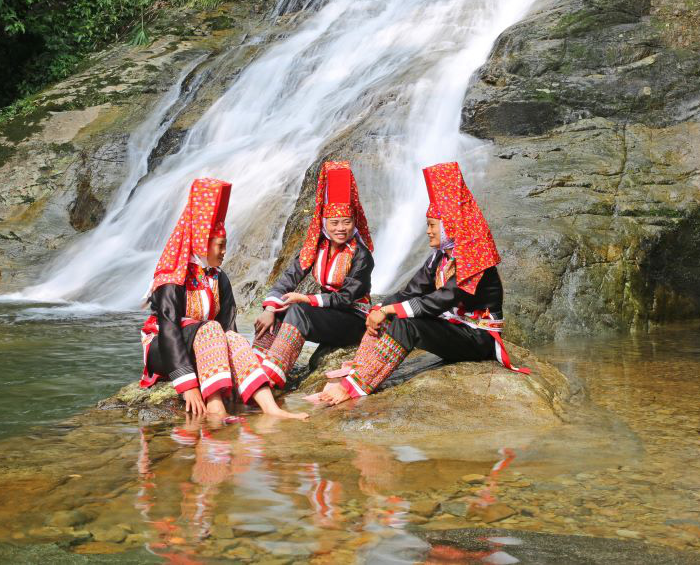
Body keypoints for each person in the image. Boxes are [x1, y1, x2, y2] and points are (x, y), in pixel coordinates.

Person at [318, 162, 529, 405]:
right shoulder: (441, 257)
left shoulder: (475, 259)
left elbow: (439, 301)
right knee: (391, 312)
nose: (428, 231)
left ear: (449, 227)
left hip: (478, 338)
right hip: (456, 326)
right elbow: (412, 291)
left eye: (431, 225)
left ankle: (354, 387)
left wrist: (388, 310)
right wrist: (380, 309)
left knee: (408, 325)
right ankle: (359, 368)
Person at [140, 177, 307, 419]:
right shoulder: (171, 278)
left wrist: (235, 370)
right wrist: (187, 386)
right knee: (210, 329)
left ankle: (270, 408)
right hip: (165, 351)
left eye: (225, 245)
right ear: (200, 243)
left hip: (206, 346)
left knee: (232, 337)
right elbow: (169, 330)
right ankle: (215, 405)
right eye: (219, 245)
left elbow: (229, 327)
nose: (224, 252)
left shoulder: (219, 278)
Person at [253, 161, 375, 387]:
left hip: (354, 319)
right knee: (278, 310)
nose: (341, 228)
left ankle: (271, 377)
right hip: (328, 314)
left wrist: (305, 299)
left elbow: (346, 298)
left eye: (347, 222)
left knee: (298, 309)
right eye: (335, 223)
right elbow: (287, 279)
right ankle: (254, 367)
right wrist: (270, 308)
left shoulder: (361, 256)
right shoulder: (314, 248)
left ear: (354, 223)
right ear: (324, 223)